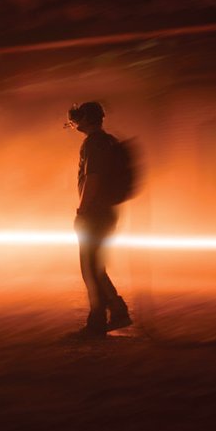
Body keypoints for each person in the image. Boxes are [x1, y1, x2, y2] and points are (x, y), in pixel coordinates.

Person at [66, 101, 132, 337]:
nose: (74, 122)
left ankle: (99, 320)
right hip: (106, 212)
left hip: (95, 213)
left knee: (90, 268)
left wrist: (82, 211)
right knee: (96, 267)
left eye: (79, 117)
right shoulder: (108, 141)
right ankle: (116, 312)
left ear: (87, 118)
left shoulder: (93, 144)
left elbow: (92, 178)